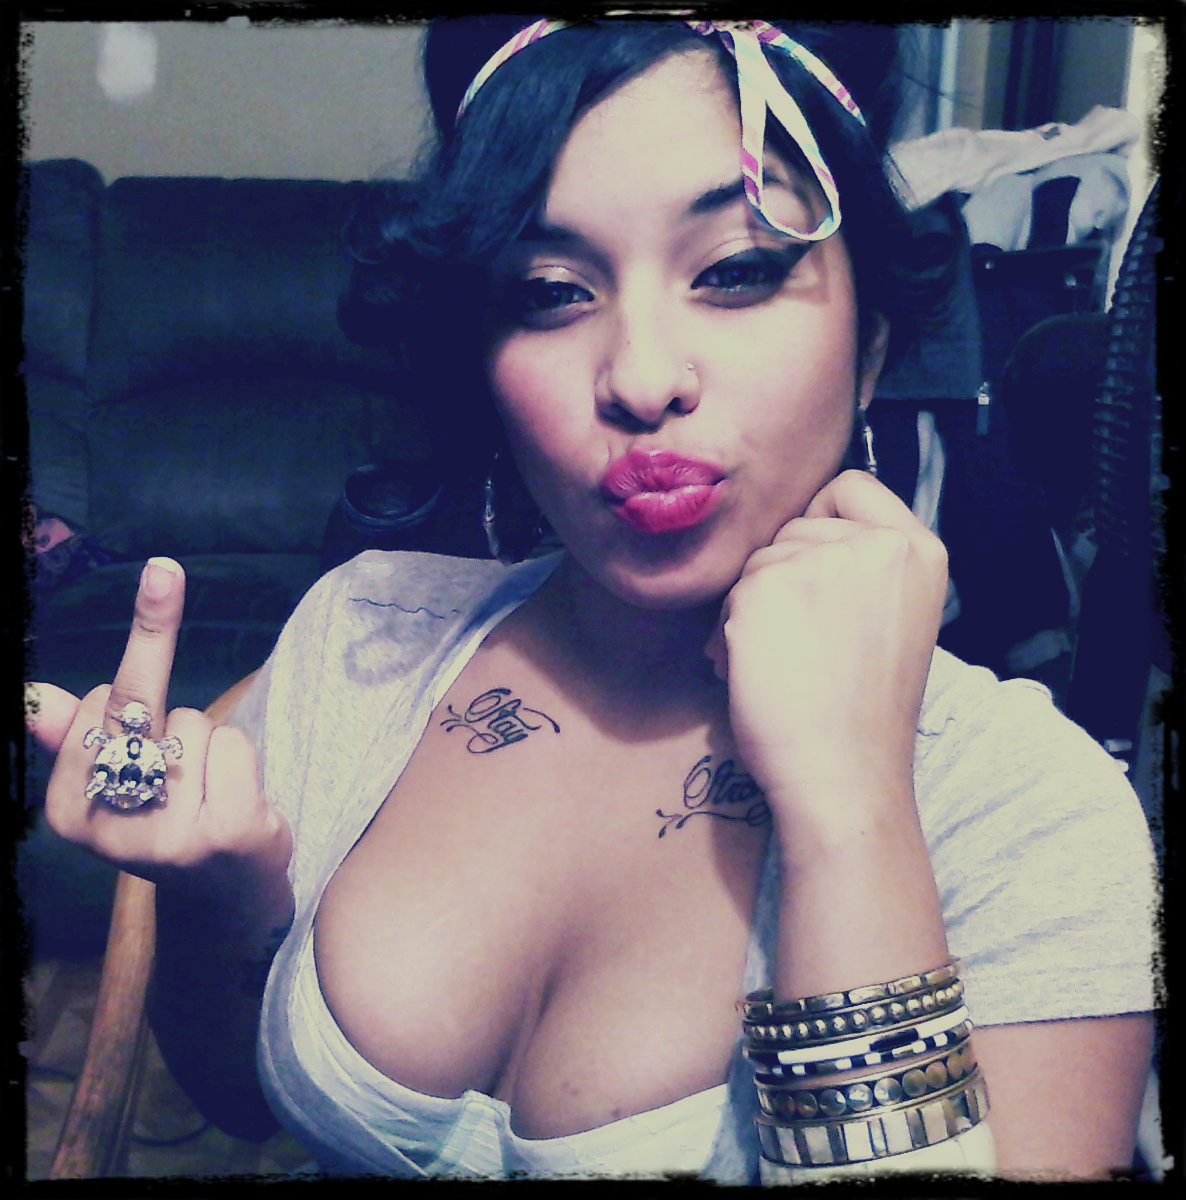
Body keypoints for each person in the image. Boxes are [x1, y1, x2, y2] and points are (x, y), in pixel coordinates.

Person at [27, 15, 1158, 1183]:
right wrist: (222, 898)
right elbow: (235, 1098)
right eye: (551, 292)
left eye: (736, 270)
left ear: (871, 341)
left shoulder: (1033, 816)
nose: (642, 378)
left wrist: (849, 815)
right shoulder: (361, 639)